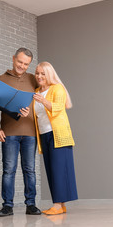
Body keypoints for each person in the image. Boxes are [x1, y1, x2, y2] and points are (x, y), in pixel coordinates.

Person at [0, 48, 41, 216]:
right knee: (9, 170)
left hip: (30, 133)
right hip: (9, 132)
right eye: (20, 62)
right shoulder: (0, 80)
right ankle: (7, 206)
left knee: (30, 170)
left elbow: (43, 97)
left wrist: (33, 109)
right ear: (13, 59)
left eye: (26, 64)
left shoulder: (33, 79)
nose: (22, 66)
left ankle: (31, 204)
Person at [33, 62, 78, 215]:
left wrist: (43, 100)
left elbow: (58, 107)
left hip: (58, 134)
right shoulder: (36, 91)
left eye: (43, 73)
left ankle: (58, 205)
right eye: (37, 73)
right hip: (44, 134)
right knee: (51, 170)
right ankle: (60, 205)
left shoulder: (57, 88)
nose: (39, 76)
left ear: (49, 75)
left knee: (59, 170)